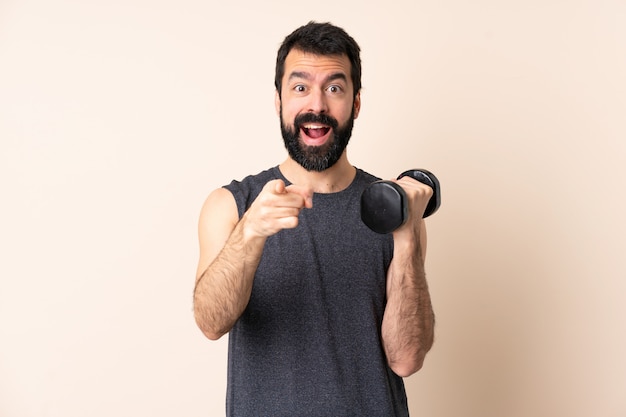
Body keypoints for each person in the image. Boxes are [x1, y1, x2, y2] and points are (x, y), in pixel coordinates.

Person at [193, 21, 435, 417]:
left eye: (335, 88)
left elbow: (406, 359)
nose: (317, 105)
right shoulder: (231, 206)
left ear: (356, 102)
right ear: (278, 100)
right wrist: (251, 234)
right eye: (300, 87)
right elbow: (210, 324)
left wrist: (407, 234)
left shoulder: (393, 212)